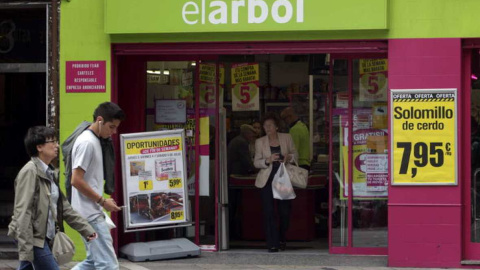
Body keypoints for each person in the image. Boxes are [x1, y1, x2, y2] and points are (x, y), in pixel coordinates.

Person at [8, 126, 96, 270]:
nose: (56, 145)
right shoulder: (30, 172)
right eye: (52, 141)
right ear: (39, 147)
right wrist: (26, 249)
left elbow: (65, 208)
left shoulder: (49, 173)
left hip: (45, 237)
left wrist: (86, 228)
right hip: (34, 239)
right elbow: (22, 212)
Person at [70, 102, 125, 270]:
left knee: (93, 263)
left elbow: (86, 180)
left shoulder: (93, 140)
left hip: (89, 211)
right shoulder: (87, 143)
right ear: (99, 120)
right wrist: (102, 201)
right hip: (91, 214)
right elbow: (76, 180)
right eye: (111, 127)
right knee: (108, 265)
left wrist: (102, 200)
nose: (113, 132)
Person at [254, 113, 298, 252]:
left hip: (283, 178)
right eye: (265, 126)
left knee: (284, 211)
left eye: (270, 125)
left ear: (277, 126)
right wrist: (267, 160)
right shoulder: (260, 142)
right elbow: (256, 162)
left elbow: (296, 155)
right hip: (266, 180)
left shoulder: (287, 138)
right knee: (269, 211)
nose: (267, 128)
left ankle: (281, 238)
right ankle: (272, 243)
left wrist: (288, 157)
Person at [227, 124, 257, 239]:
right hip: (236, 176)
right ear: (247, 134)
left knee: (233, 205)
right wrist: (257, 169)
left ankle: (232, 232)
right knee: (234, 205)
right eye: (252, 135)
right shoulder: (242, 143)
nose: (252, 137)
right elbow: (246, 161)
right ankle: (234, 232)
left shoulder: (237, 140)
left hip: (232, 175)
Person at [281, 107, 311, 171]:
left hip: (298, 164)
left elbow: (293, 151)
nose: (285, 122)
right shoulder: (303, 126)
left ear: (289, 117)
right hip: (306, 163)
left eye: (284, 119)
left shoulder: (294, 130)